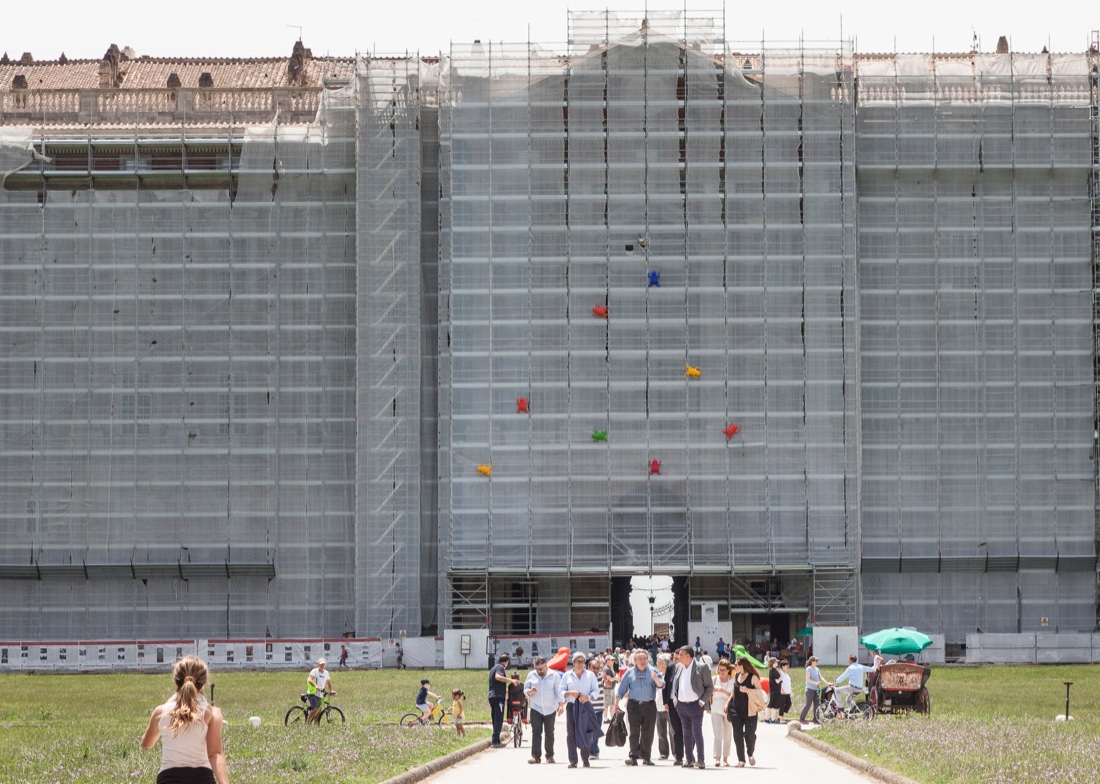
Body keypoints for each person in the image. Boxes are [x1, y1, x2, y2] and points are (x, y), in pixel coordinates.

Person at [141, 655, 229, 784]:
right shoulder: (212, 713)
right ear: (203, 682)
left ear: (176, 680)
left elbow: (146, 743)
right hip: (202, 779)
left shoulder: (160, 712)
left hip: (168, 779)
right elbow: (215, 753)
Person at [615, 649, 664, 766]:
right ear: (635, 660)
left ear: (648, 660)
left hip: (649, 706)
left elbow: (662, 684)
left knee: (648, 732)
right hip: (634, 705)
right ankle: (633, 757)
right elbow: (621, 689)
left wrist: (657, 680)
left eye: (644, 659)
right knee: (634, 731)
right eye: (640, 659)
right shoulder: (629, 672)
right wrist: (616, 704)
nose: (642, 661)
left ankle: (646, 757)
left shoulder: (654, 671)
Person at [671, 645, 712, 769]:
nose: (678, 657)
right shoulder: (678, 667)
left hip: (696, 705)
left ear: (688, 656)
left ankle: (700, 760)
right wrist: (675, 699)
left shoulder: (701, 667)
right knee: (686, 733)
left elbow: (710, 687)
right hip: (681, 705)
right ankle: (689, 759)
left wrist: (701, 701)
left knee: (696, 732)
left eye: (681, 655)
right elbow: (675, 684)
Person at [561, 652, 601, 768]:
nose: (580, 664)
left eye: (583, 662)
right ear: (573, 663)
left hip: (585, 706)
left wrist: (588, 697)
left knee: (587, 732)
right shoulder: (567, 675)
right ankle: (573, 760)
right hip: (572, 706)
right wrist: (570, 693)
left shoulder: (590, 675)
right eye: (578, 662)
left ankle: (585, 759)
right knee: (571, 733)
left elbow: (596, 691)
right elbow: (560, 691)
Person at [525, 655, 564, 764]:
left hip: (550, 708)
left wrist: (561, 705)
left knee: (549, 733)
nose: (539, 671)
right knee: (536, 732)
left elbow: (559, 692)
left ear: (546, 665)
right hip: (536, 708)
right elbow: (525, 689)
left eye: (541, 669)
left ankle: (550, 756)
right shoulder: (531, 675)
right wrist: (530, 692)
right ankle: (536, 756)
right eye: (537, 669)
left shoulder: (554, 675)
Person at [729, 657, 764, 768]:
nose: (734, 667)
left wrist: (748, 690)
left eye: (736, 665)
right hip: (736, 710)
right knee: (737, 735)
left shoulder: (753, 677)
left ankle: (750, 753)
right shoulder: (736, 676)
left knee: (750, 735)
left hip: (750, 711)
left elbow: (760, 693)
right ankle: (741, 760)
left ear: (742, 665)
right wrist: (727, 704)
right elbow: (734, 691)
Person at [488, 653, 519, 748]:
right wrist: (511, 680)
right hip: (498, 697)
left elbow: (495, 682)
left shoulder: (493, 667)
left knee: (495, 718)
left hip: (492, 695)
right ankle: (496, 741)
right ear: (506, 662)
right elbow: (498, 677)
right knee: (498, 719)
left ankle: (495, 739)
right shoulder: (500, 668)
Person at [654, 652, 680, 763]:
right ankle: (664, 753)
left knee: (672, 731)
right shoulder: (657, 675)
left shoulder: (670, 674)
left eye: (658, 662)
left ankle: (676, 753)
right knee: (661, 732)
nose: (656, 664)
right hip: (658, 707)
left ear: (663, 663)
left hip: (668, 706)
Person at [709, 658, 735, 766]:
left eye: (724, 670)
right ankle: (717, 758)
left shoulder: (732, 680)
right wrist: (712, 690)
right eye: (720, 670)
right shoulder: (714, 679)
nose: (722, 672)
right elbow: (707, 691)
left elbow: (733, 695)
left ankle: (725, 758)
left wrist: (722, 690)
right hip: (715, 708)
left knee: (727, 734)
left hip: (728, 709)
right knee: (717, 734)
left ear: (728, 670)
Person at [798, 656, 827, 724]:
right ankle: (802, 718)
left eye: (817, 660)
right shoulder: (809, 669)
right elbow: (807, 679)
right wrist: (815, 683)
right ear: (812, 661)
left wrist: (827, 683)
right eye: (815, 660)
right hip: (810, 689)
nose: (817, 662)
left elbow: (821, 678)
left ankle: (816, 719)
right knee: (808, 704)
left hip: (816, 689)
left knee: (817, 705)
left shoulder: (817, 669)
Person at [305, 658, 334, 724]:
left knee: (319, 711)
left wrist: (331, 690)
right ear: (318, 664)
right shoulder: (314, 671)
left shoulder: (326, 673)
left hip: (320, 694)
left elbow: (328, 683)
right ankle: (308, 722)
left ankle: (316, 724)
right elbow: (309, 679)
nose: (322, 665)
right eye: (321, 664)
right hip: (312, 693)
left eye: (323, 664)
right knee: (315, 709)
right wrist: (316, 686)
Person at [587, 658, 604, 759]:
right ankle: (590, 751)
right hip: (588, 708)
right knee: (588, 731)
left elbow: (608, 682)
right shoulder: (584, 678)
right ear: (588, 668)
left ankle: (594, 751)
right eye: (593, 667)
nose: (595, 670)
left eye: (597, 668)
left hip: (598, 709)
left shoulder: (601, 677)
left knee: (596, 731)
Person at [600, 655, 620, 722]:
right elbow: (608, 679)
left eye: (613, 660)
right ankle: (605, 719)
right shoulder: (606, 669)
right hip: (608, 689)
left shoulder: (609, 668)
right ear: (607, 660)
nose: (613, 661)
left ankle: (612, 718)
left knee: (612, 704)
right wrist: (616, 678)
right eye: (611, 660)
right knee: (606, 705)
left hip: (611, 689)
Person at [764, 657, 782, 723]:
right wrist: (781, 677)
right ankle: (773, 719)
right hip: (775, 690)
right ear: (773, 663)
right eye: (776, 662)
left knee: (770, 705)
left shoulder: (771, 670)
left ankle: (766, 718)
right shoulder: (774, 671)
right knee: (774, 705)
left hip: (772, 690)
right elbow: (777, 681)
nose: (777, 663)